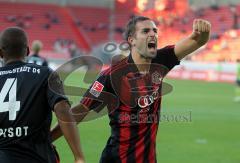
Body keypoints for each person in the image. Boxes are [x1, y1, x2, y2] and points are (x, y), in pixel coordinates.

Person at [51, 16, 211, 163]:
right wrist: (46, 137)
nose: (153, 34)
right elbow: (80, 110)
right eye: (146, 31)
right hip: (117, 159)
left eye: (155, 30)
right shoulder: (112, 75)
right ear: (132, 40)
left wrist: (203, 32)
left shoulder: (162, 60)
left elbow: (196, 41)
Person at [0, 27, 85, 163]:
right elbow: (62, 109)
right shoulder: (46, 73)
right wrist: (78, 156)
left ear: (0, 52)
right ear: (27, 51)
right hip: (38, 156)